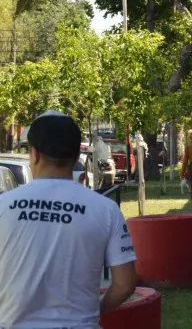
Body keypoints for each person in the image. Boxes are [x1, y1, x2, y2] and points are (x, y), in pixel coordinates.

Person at [0, 111, 137, 327]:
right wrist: (96, 309)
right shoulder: (106, 209)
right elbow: (125, 284)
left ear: (34, 154)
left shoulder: (3, 206)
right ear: (75, 158)